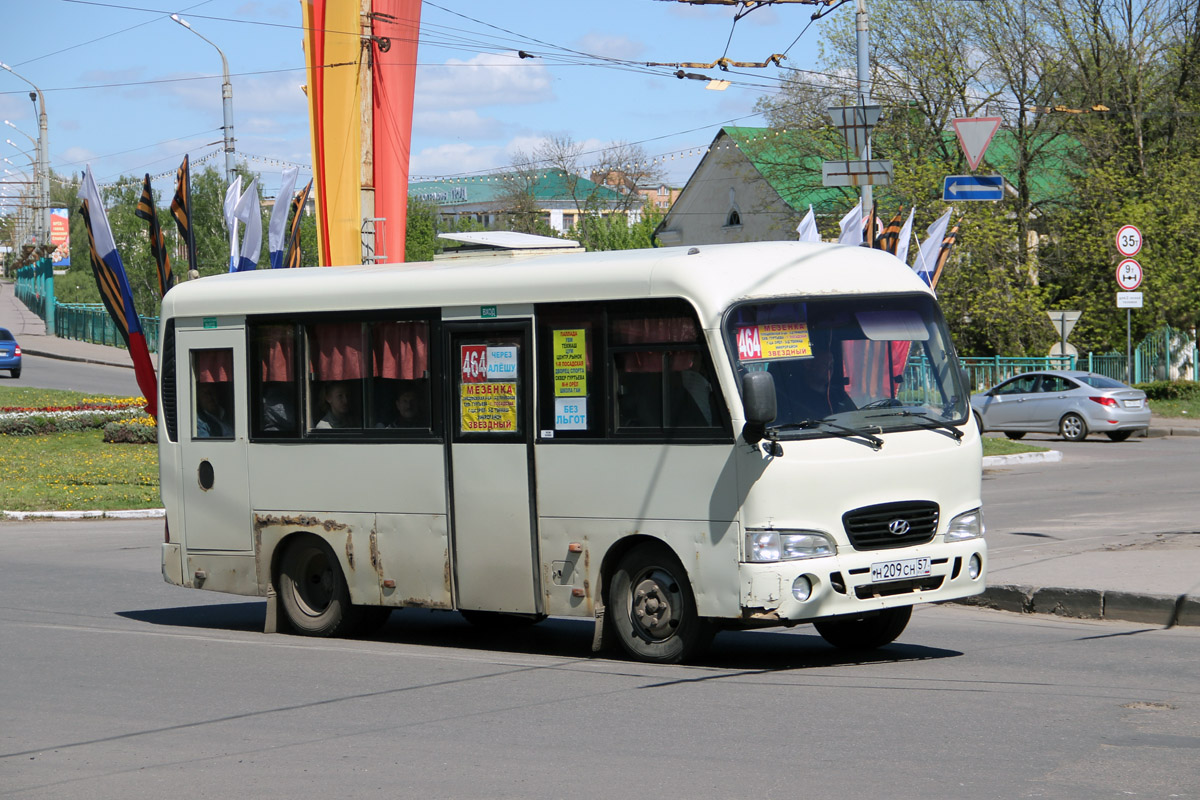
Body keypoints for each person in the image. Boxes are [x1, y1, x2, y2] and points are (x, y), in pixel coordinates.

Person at [787, 349, 855, 419]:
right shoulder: (794, 396)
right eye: (825, 364)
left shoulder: (839, 394)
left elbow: (855, 418)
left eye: (832, 365)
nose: (830, 369)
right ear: (808, 365)